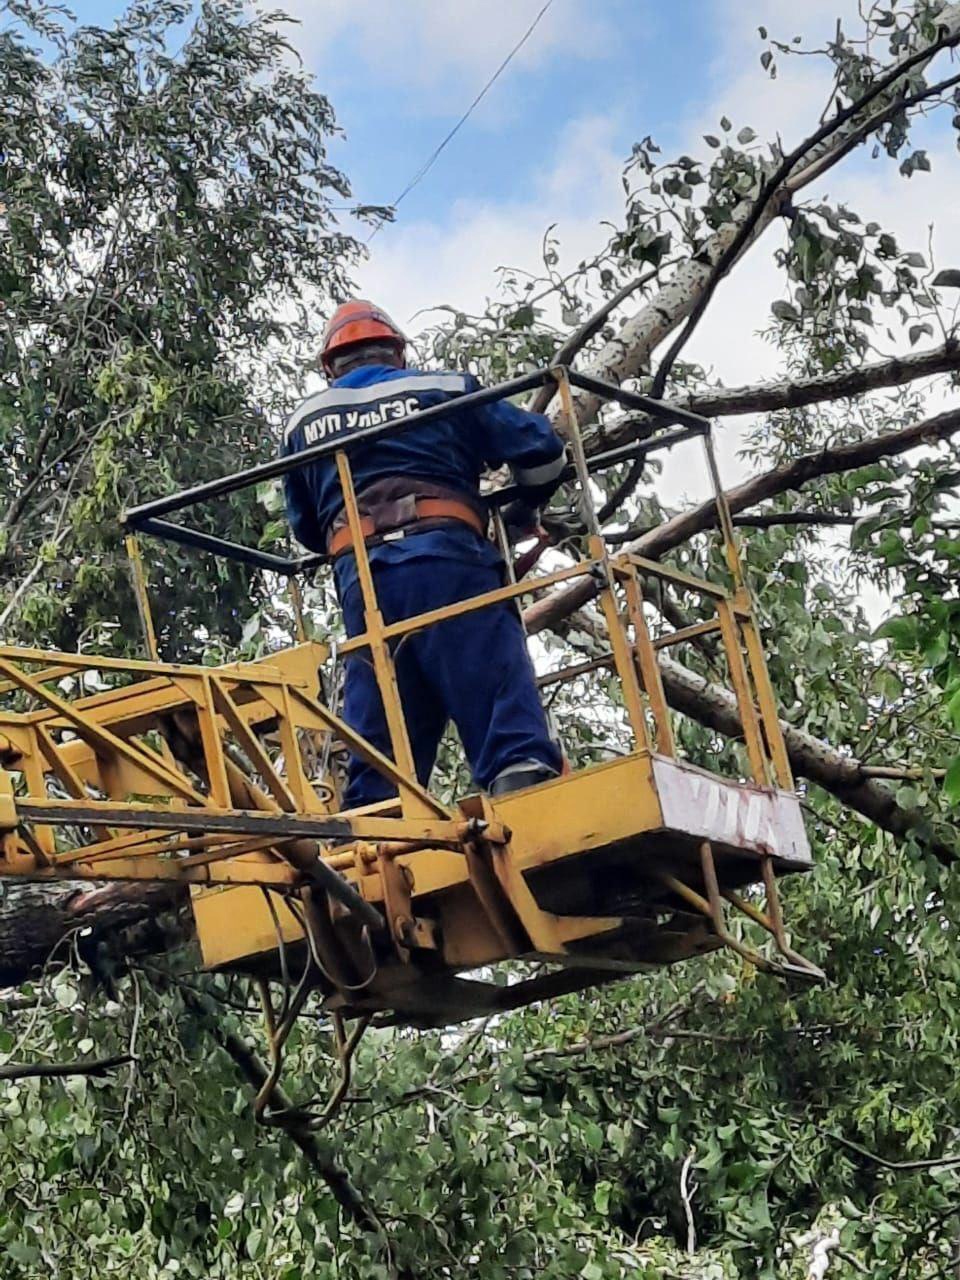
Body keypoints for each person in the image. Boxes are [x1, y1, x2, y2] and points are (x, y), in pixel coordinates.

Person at [282, 299, 566, 808]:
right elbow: (542, 452)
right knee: (489, 668)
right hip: (447, 559)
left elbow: (307, 528)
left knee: (384, 709)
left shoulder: (304, 422)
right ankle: (521, 780)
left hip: (363, 581)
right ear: (398, 352)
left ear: (330, 368)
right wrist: (525, 507)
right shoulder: (445, 388)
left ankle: (381, 821)